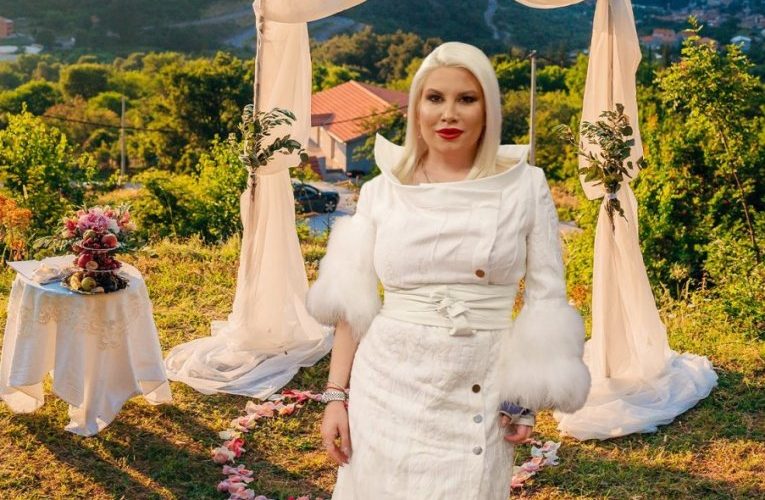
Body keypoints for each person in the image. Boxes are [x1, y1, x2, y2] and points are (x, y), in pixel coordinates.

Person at [306, 42, 590, 499]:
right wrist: (336, 395)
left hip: (480, 386)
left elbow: (546, 298)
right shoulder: (381, 191)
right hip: (386, 386)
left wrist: (524, 398)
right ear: (416, 107)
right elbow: (351, 304)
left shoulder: (525, 186)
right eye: (435, 98)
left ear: (488, 108)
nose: (449, 114)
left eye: (466, 99)